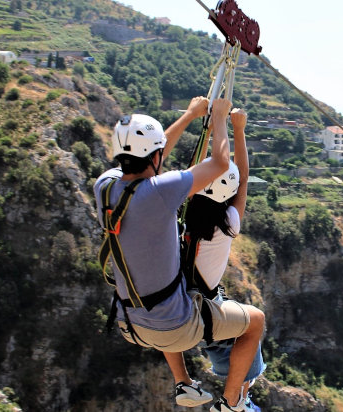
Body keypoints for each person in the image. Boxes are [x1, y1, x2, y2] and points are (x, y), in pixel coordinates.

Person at [94, 97, 265, 412]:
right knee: (255, 321)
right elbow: (221, 165)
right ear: (156, 154)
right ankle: (230, 402)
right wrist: (220, 120)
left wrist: (188, 115)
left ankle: (184, 382)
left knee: (167, 291)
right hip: (176, 327)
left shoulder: (105, 186)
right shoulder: (161, 194)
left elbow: (150, 161)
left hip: (129, 321)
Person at [180, 107, 265, 411]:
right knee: (249, 339)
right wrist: (237, 129)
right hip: (206, 306)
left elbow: (191, 173)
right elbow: (241, 181)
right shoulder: (228, 221)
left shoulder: (182, 211)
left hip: (183, 298)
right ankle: (235, 401)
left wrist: (211, 127)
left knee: (230, 346)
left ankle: (237, 395)